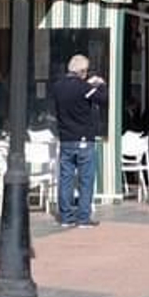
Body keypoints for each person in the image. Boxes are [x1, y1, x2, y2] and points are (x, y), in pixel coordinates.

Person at [52, 54, 107, 228]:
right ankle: (83, 218)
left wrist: (89, 84)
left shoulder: (58, 87)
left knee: (66, 179)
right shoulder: (84, 87)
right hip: (84, 138)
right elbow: (103, 99)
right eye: (86, 71)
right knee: (86, 179)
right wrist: (100, 84)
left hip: (65, 138)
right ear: (82, 71)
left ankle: (66, 217)